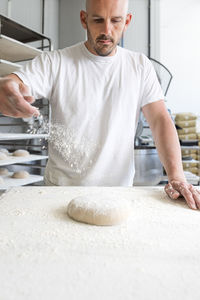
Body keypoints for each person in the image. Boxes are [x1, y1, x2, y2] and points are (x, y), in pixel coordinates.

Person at [0, 0, 199, 209]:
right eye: (98, 20)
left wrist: (176, 175)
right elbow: (19, 82)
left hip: (119, 194)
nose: (106, 30)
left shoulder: (139, 66)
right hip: (59, 194)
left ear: (127, 21)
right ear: (84, 19)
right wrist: (7, 85)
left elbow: (159, 119)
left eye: (115, 21)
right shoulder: (55, 62)